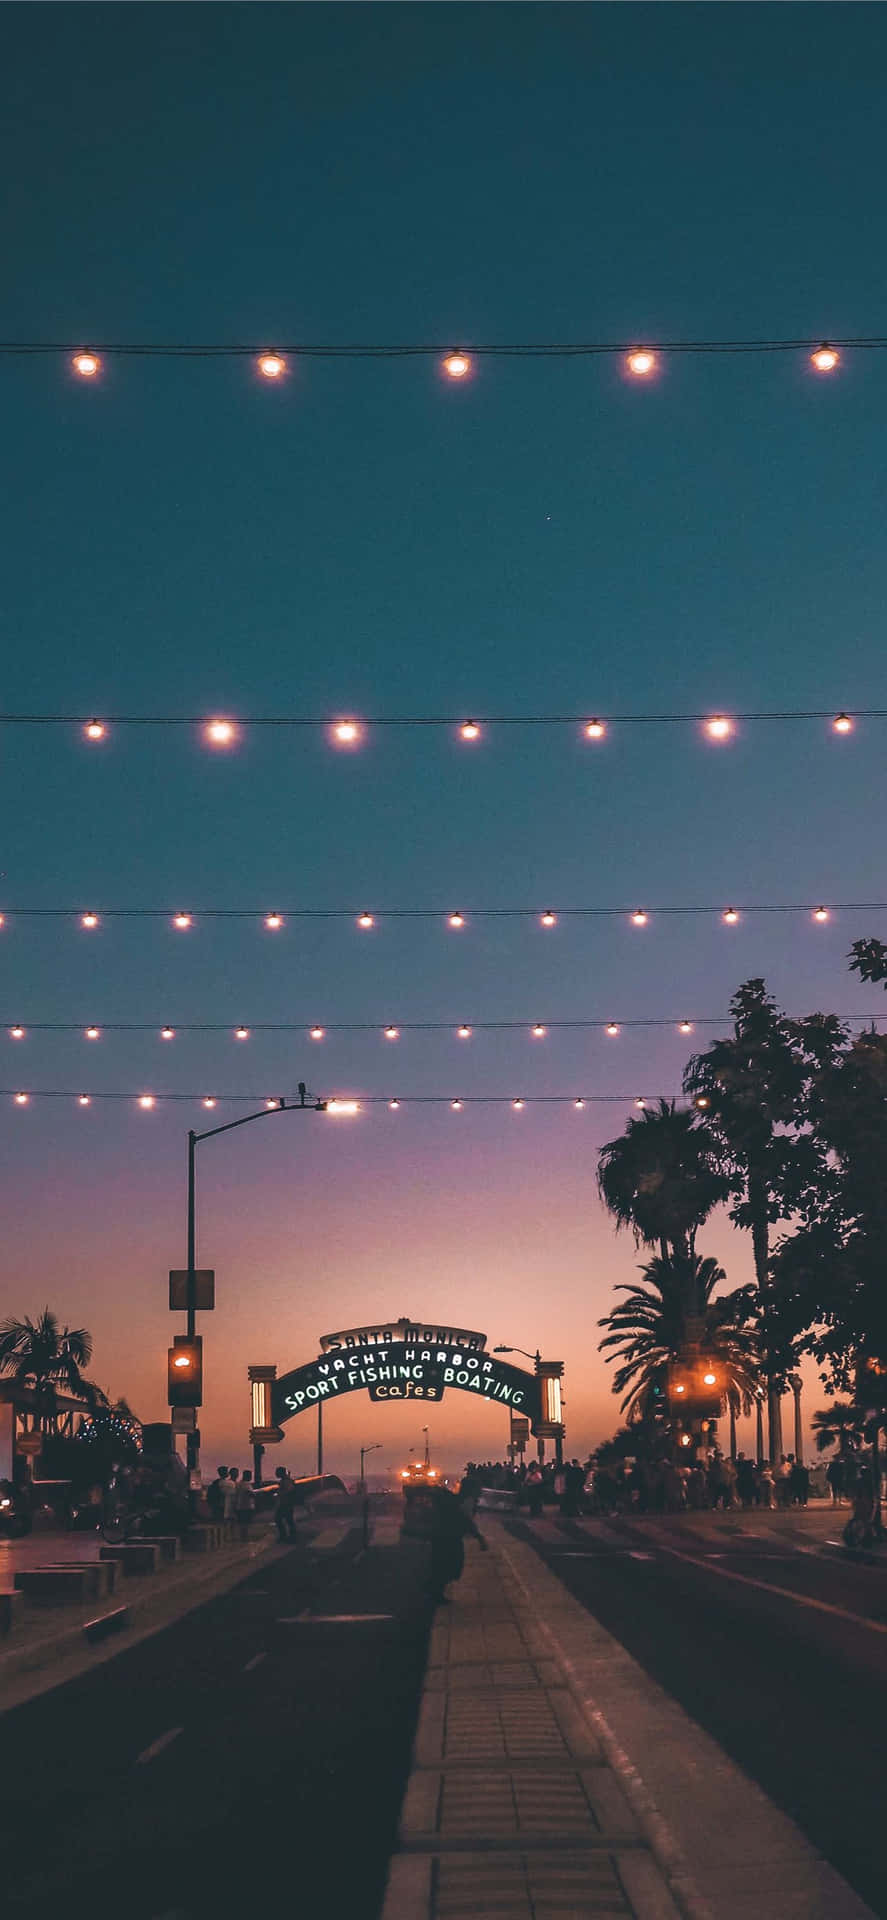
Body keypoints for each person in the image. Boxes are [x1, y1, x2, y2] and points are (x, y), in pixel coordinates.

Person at [428, 1483, 488, 1603]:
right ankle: (436, 1594)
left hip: (446, 1537)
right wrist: (479, 1537)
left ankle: (436, 1593)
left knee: (445, 1567)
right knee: (448, 1566)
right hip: (449, 1538)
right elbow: (465, 1520)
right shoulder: (464, 1502)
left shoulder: (460, 1500)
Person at [274, 1466, 298, 1542]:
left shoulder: (286, 1481)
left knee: (280, 1519)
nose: (275, 1474)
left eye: (277, 1472)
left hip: (285, 1504)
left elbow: (289, 1490)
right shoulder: (285, 1480)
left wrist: (280, 1494)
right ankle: (290, 1536)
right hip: (286, 1503)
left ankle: (286, 1536)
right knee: (288, 1520)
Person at [233, 1469, 255, 1542]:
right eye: (250, 1475)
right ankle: (245, 1538)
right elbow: (251, 1494)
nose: (251, 1477)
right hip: (246, 1506)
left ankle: (243, 1537)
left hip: (239, 1506)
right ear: (247, 1476)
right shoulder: (246, 1484)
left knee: (242, 1523)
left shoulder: (239, 1484)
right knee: (246, 1523)